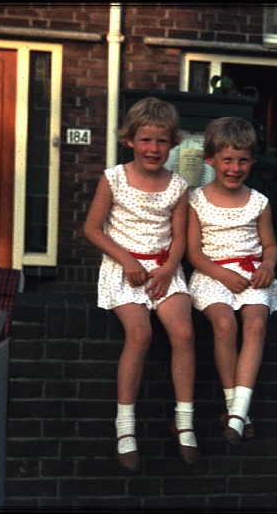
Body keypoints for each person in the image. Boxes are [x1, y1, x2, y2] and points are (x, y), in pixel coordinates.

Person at [84, 97, 199, 471]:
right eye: (146, 140)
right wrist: (127, 259)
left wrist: (168, 268)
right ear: (130, 140)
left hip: (164, 269)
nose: (154, 149)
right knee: (140, 335)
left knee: (183, 333)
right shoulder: (113, 177)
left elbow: (180, 238)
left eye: (162, 141)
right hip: (124, 268)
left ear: (173, 142)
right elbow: (91, 228)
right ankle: (125, 426)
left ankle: (183, 420)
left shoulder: (178, 184)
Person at [186, 116, 277, 448]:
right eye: (227, 159)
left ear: (252, 162)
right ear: (210, 159)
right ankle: (235, 408)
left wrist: (267, 265)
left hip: (252, 273)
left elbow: (270, 245)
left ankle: (239, 412)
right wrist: (221, 273)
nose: (234, 167)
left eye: (243, 160)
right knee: (225, 324)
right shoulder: (196, 200)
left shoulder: (259, 202)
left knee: (256, 324)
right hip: (213, 274)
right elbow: (194, 253)